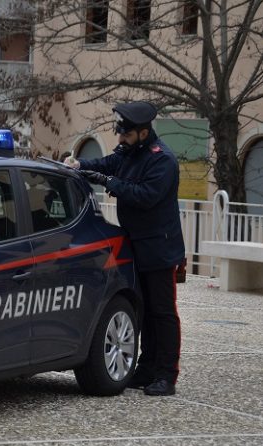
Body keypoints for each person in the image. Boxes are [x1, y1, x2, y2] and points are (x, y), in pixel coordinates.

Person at [64, 101, 185, 396]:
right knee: (143, 311)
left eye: (126, 134)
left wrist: (109, 182)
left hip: (158, 248)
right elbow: (106, 164)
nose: (120, 139)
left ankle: (166, 375)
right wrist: (80, 165)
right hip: (135, 243)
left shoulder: (162, 160)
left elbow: (144, 195)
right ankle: (146, 368)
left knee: (162, 313)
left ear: (144, 133)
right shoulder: (130, 150)